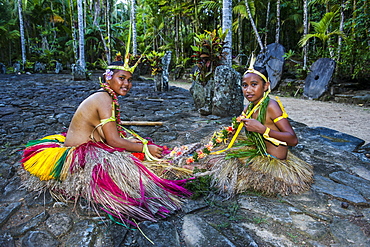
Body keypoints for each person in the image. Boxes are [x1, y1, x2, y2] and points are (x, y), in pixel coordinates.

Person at [20, 53, 191, 227]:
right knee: (136, 173)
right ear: (107, 78)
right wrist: (144, 148)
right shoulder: (104, 99)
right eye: (121, 78)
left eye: (130, 80)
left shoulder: (106, 97)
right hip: (78, 155)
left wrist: (138, 145)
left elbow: (110, 136)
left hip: (85, 145)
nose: (126, 84)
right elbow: (114, 141)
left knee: (133, 146)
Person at [176, 56, 313, 198]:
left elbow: (293, 140)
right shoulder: (249, 107)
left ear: (266, 86)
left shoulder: (272, 106)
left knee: (228, 169)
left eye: (254, 84)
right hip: (256, 149)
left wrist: (263, 129)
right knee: (215, 157)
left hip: (272, 158)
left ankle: (209, 173)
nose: (248, 90)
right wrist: (226, 134)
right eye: (245, 85)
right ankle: (206, 167)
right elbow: (234, 128)